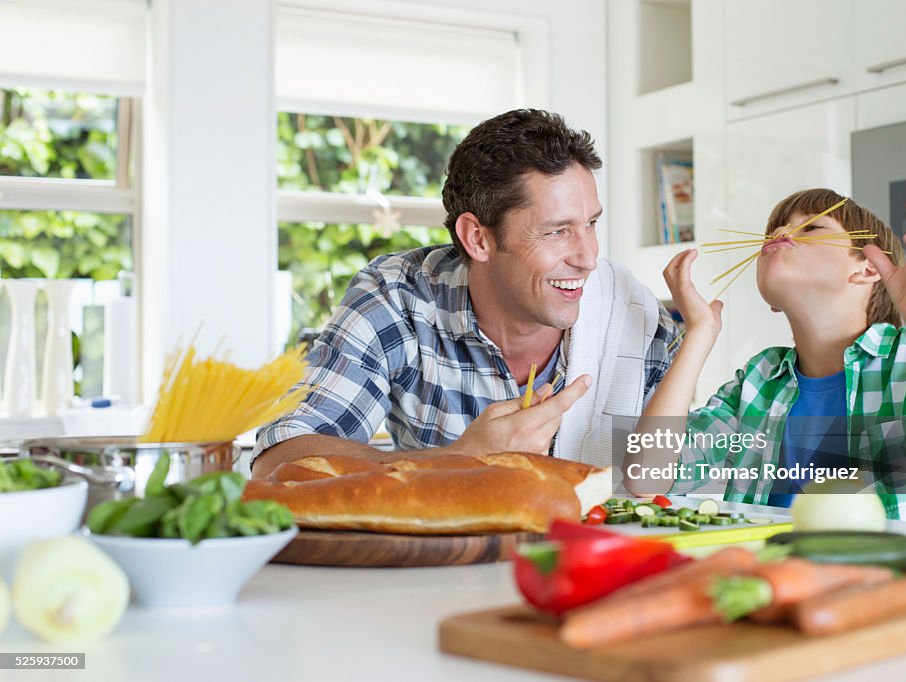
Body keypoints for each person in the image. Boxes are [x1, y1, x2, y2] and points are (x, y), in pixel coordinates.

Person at [252, 109, 679, 479]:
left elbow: (674, 485)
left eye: (591, 223)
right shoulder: (398, 297)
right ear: (477, 238)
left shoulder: (632, 317)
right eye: (557, 231)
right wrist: (458, 460)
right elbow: (280, 461)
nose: (589, 257)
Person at [630, 188, 906, 525]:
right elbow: (646, 478)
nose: (781, 233)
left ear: (868, 268)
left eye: (811, 227)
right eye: (775, 231)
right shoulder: (759, 379)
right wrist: (698, 335)